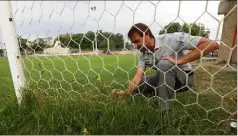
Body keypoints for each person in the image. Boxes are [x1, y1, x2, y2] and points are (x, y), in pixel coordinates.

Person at [111, 23, 219, 109]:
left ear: (147, 34)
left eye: (137, 41)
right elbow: (138, 76)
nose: (135, 45)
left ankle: (164, 111)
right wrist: (126, 93)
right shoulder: (143, 53)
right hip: (163, 78)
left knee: (164, 63)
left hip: (184, 78)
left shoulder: (172, 39)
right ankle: (155, 95)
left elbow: (212, 44)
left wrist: (179, 60)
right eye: (132, 43)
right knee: (140, 84)